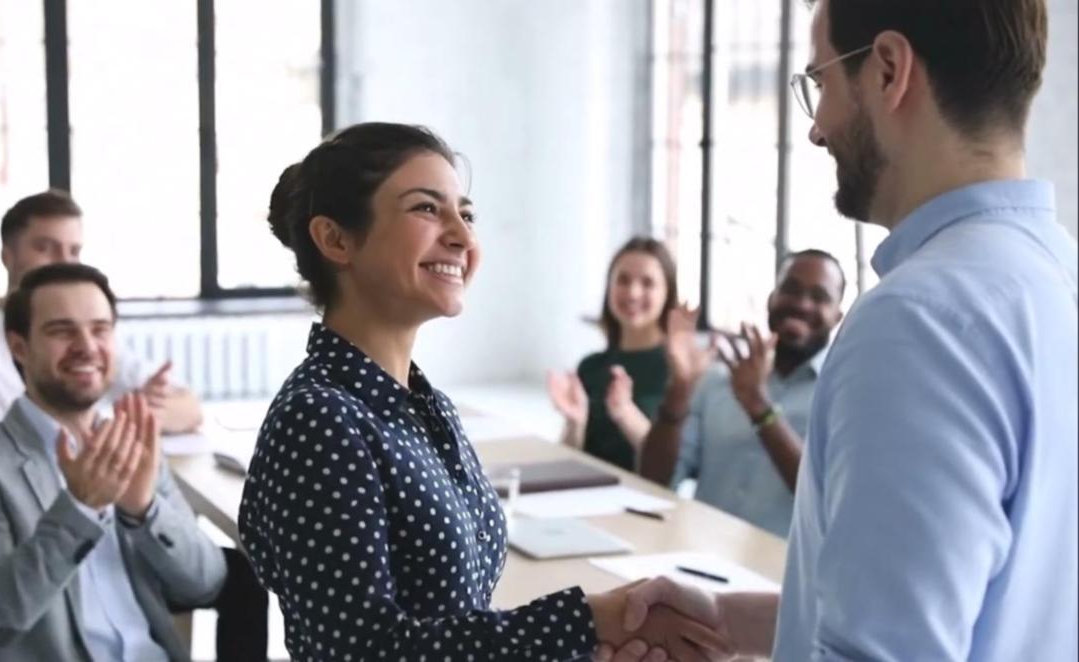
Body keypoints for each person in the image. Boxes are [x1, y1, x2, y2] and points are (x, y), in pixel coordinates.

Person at [603, 0, 1078, 659]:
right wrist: (725, 619)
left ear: (887, 70)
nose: (817, 130)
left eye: (820, 83)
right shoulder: (1055, 275)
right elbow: (966, 606)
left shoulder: (918, 322)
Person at [237, 122, 731, 661]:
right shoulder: (318, 419)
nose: (463, 238)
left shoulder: (426, 408)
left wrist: (589, 642)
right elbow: (366, 651)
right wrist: (582, 623)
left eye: (466, 215)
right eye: (427, 209)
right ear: (336, 239)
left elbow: (460, 619)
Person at [0, 263, 228, 662]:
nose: (87, 345)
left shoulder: (133, 446)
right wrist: (80, 509)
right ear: (19, 347)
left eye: (100, 329)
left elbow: (206, 584)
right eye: (62, 331)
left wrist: (145, 512)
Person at [0, 189, 203, 456]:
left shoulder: (89, 342)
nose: (64, 263)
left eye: (74, 251)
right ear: (7, 257)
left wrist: (136, 415)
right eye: (46, 248)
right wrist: (124, 422)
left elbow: (189, 407)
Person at [638, 250, 845, 537]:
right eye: (791, 289)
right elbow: (654, 478)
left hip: (780, 575)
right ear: (772, 299)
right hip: (695, 555)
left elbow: (825, 498)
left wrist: (758, 406)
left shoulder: (842, 394)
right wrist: (680, 388)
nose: (802, 304)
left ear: (838, 316)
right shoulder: (718, 377)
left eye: (820, 297)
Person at [547, 238, 676, 472]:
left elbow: (674, 469)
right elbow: (567, 460)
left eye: (648, 283)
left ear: (668, 293)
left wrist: (625, 413)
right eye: (623, 280)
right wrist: (575, 423)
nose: (633, 293)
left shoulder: (678, 373)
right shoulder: (591, 366)